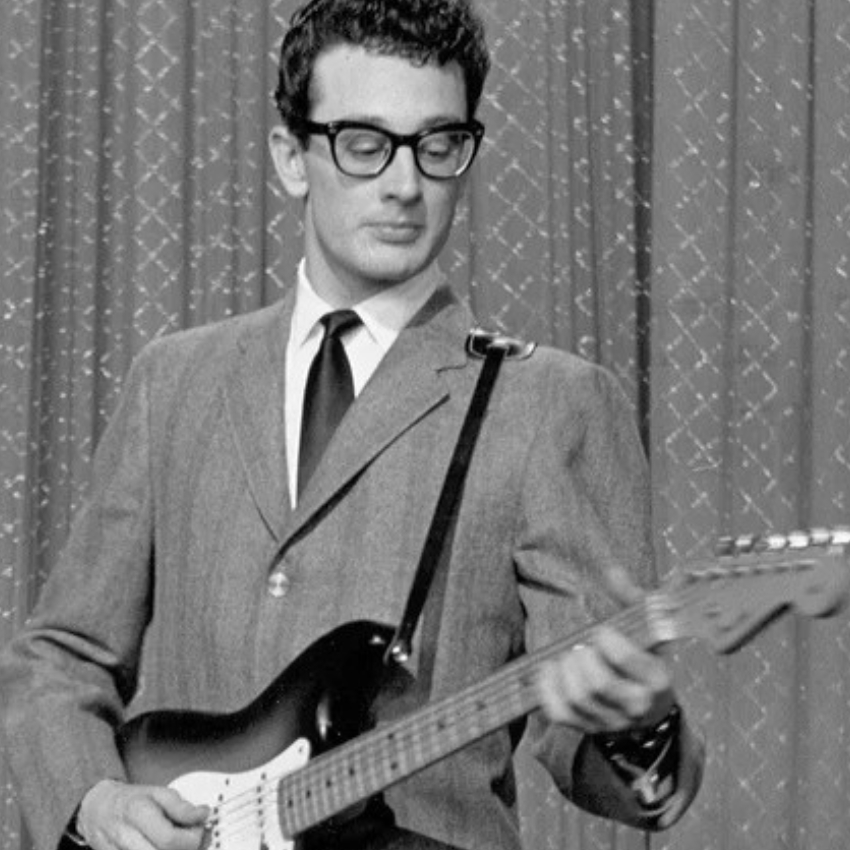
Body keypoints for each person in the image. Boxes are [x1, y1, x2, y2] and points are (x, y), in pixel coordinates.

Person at [0, 1, 704, 849]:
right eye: (364, 145)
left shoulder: (551, 405)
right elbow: (62, 654)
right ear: (291, 157)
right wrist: (91, 801)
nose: (405, 185)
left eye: (438, 146)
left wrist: (641, 722)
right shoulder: (174, 381)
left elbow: (615, 774)